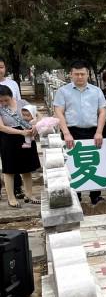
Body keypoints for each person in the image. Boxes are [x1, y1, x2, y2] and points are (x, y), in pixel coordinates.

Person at [53, 60, 106, 206]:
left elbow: (102, 112)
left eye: (82, 74)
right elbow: (59, 112)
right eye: (76, 74)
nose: (79, 77)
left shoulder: (96, 91)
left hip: (93, 131)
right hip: (72, 131)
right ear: (70, 74)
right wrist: (66, 133)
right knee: (73, 164)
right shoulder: (63, 91)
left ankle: (95, 195)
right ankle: (76, 196)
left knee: (93, 163)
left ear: (87, 74)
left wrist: (99, 132)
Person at [0, 86, 40, 207]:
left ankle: (29, 194)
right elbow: (1, 127)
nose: (3, 103)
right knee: (9, 169)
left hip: (27, 137)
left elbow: (37, 115)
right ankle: (11, 198)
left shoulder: (23, 103)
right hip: (8, 138)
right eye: (0, 100)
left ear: (11, 96)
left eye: (6, 100)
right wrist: (20, 132)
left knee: (27, 168)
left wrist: (35, 126)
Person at [0, 56, 23, 200]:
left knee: (13, 157)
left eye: (1, 66)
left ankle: (17, 188)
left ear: (5, 68)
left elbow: (19, 104)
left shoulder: (12, 84)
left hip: (10, 127)